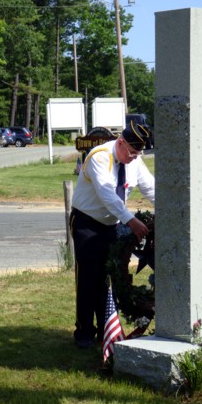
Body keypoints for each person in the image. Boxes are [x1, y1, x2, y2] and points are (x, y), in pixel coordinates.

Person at [69, 121, 155, 348]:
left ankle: (106, 331)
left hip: (112, 225)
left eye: (138, 154)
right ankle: (84, 332)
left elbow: (151, 188)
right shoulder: (100, 156)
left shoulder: (134, 160)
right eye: (131, 152)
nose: (134, 157)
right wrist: (132, 221)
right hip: (87, 222)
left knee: (109, 278)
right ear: (121, 142)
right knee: (89, 278)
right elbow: (107, 194)